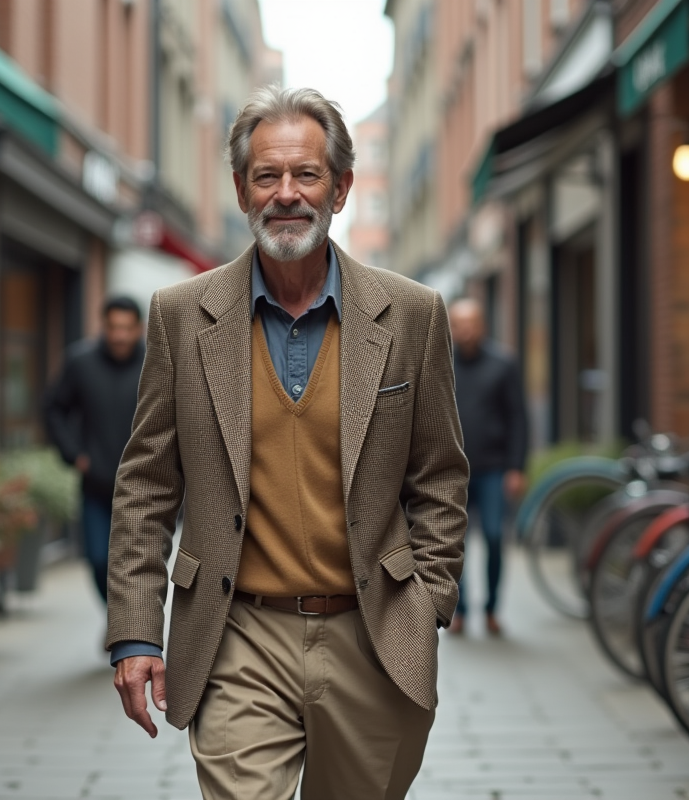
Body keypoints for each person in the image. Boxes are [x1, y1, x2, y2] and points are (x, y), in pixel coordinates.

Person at [106, 86, 468, 800]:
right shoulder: (181, 315)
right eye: (266, 176)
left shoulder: (413, 315)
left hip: (374, 633)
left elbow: (439, 476)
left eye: (306, 174)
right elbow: (146, 483)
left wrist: (428, 603)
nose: (287, 194)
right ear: (241, 189)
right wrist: (136, 632)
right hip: (238, 632)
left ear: (342, 186)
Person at [44, 296, 145, 604]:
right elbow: (54, 409)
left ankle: (129, 628)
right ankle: (117, 618)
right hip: (96, 485)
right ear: (103, 326)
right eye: (113, 327)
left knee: (137, 564)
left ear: (139, 329)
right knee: (99, 559)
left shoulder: (155, 362)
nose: (120, 336)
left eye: (127, 328)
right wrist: (74, 454)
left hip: (143, 486)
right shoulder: (80, 362)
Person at [447, 297, 528, 636]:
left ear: (483, 325)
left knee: (495, 537)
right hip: (453, 469)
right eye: (459, 323)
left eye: (472, 322)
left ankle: (492, 608)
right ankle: (460, 610)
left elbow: (518, 418)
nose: (466, 330)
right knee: (454, 543)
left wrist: (516, 467)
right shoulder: (440, 363)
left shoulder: (503, 364)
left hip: (494, 468)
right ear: (451, 327)